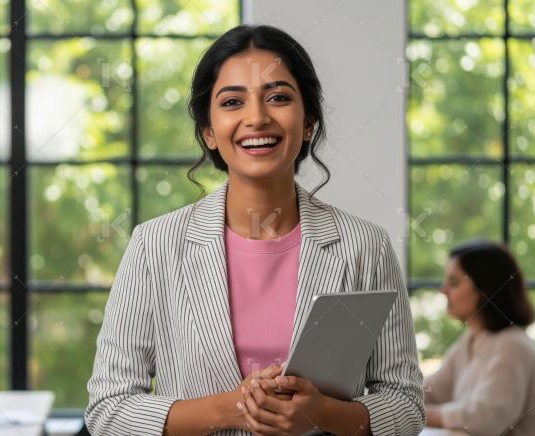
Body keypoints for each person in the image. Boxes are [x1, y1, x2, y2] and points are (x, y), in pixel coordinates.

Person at [85, 24, 425, 435]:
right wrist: (233, 408)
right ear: (209, 131)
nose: (257, 118)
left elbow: (405, 406)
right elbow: (108, 409)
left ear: (309, 122)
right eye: (232, 102)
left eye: (279, 97)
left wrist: (322, 413)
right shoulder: (154, 245)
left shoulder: (364, 246)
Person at [424, 241, 535, 435]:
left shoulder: (513, 345)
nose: (443, 290)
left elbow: (485, 418)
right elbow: (432, 390)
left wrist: (415, 413)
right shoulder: (471, 341)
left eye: (454, 283)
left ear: (485, 289)